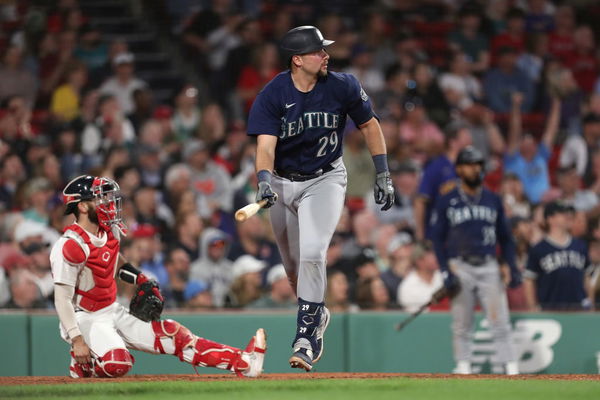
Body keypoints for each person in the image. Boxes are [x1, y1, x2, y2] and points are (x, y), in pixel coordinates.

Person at [247, 26, 394, 372]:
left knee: (314, 253)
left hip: (325, 178)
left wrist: (383, 172)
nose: (326, 55)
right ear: (297, 60)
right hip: (283, 183)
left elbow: (370, 125)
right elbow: (265, 146)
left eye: (324, 50)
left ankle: (305, 339)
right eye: (318, 51)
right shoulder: (272, 95)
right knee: (295, 271)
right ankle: (318, 313)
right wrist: (264, 180)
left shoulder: (342, 85)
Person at [49, 175, 266, 379]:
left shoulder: (108, 231)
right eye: (99, 197)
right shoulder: (71, 245)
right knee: (117, 363)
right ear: (82, 206)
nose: (108, 202)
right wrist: (77, 339)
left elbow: (114, 261)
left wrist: (140, 279)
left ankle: (244, 362)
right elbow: (62, 299)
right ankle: (82, 365)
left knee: (173, 334)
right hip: (84, 316)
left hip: (111, 308)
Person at [430, 146, 521, 375]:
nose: (476, 169)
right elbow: (437, 238)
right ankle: (463, 366)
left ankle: (510, 367)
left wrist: (511, 265)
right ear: (459, 169)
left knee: (499, 320)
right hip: (460, 265)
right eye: (470, 165)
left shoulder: (492, 198)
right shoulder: (447, 200)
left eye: (479, 165)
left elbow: (506, 238)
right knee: (462, 322)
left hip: (489, 264)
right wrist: (444, 271)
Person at [524, 201, 592, 311]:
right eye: (562, 213)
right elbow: (529, 280)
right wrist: (532, 307)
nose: (568, 216)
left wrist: (590, 302)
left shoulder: (580, 245)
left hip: (579, 309)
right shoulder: (539, 248)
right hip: (550, 309)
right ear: (550, 219)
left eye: (569, 213)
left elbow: (587, 277)